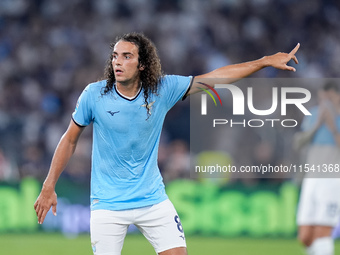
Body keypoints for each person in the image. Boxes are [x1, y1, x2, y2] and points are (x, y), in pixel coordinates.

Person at [34, 32, 299, 255]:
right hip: (107, 204)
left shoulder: (162, 89)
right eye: (115, 56)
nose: (118, 62)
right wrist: (49, 185)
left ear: (142, 65)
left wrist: (264, 62)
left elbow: (216, 77)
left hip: (152, 199)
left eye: (127, 56)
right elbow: (69, 139)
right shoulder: (94, 94)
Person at [296, 82, 340, 255]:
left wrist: (331, 126)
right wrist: (317, 125)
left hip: (332, 179)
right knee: (305, 236)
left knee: (323, 231)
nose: (326, 103)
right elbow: (298, 143)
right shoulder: (314, 114)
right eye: (323, 98)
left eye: (329, 98)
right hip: (311, 177)